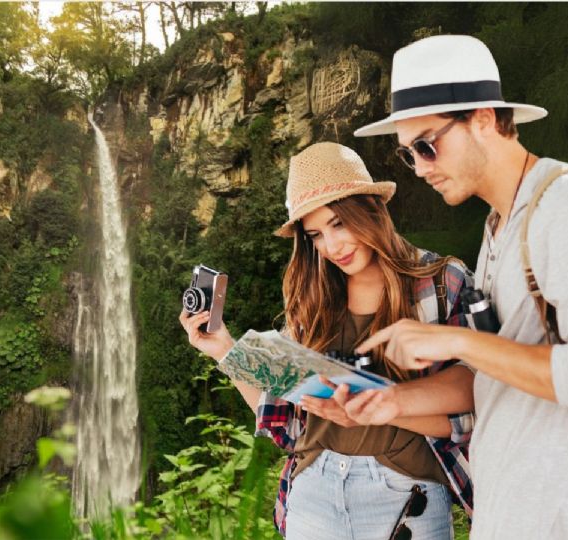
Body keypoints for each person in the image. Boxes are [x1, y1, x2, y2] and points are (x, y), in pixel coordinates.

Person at [341, 35, 568, 539]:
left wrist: (456, 340)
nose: (419, 169)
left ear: (483, 119)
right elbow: (497, 379)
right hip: (512, 515)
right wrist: (391, 402)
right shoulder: (501, 224)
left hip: (567, 519)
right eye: (406, 154)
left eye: (426, 145)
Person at [179, 141, 476, 540]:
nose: (331, 247)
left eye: (339, 223)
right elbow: (283, 416)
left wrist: (376, 410)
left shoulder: (442, 282)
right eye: (316, 234)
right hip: (312, 493)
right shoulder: (313, 301)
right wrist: (222, 348)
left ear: (371, 210)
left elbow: (476, 402)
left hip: (406, 495)